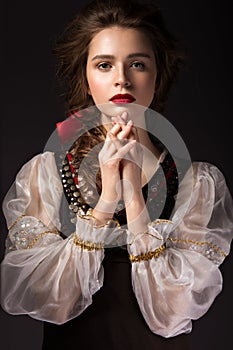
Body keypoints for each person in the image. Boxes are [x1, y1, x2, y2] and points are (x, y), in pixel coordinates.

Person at [1, 0, 233, 349]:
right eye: (105, 65)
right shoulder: (45, 175)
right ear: (86, 75)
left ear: (158, 74)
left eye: (137, 64)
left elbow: (174, 314)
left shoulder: (196, 184)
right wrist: (107, 200)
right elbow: (49, 302)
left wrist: (135, 197)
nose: (122, 78)